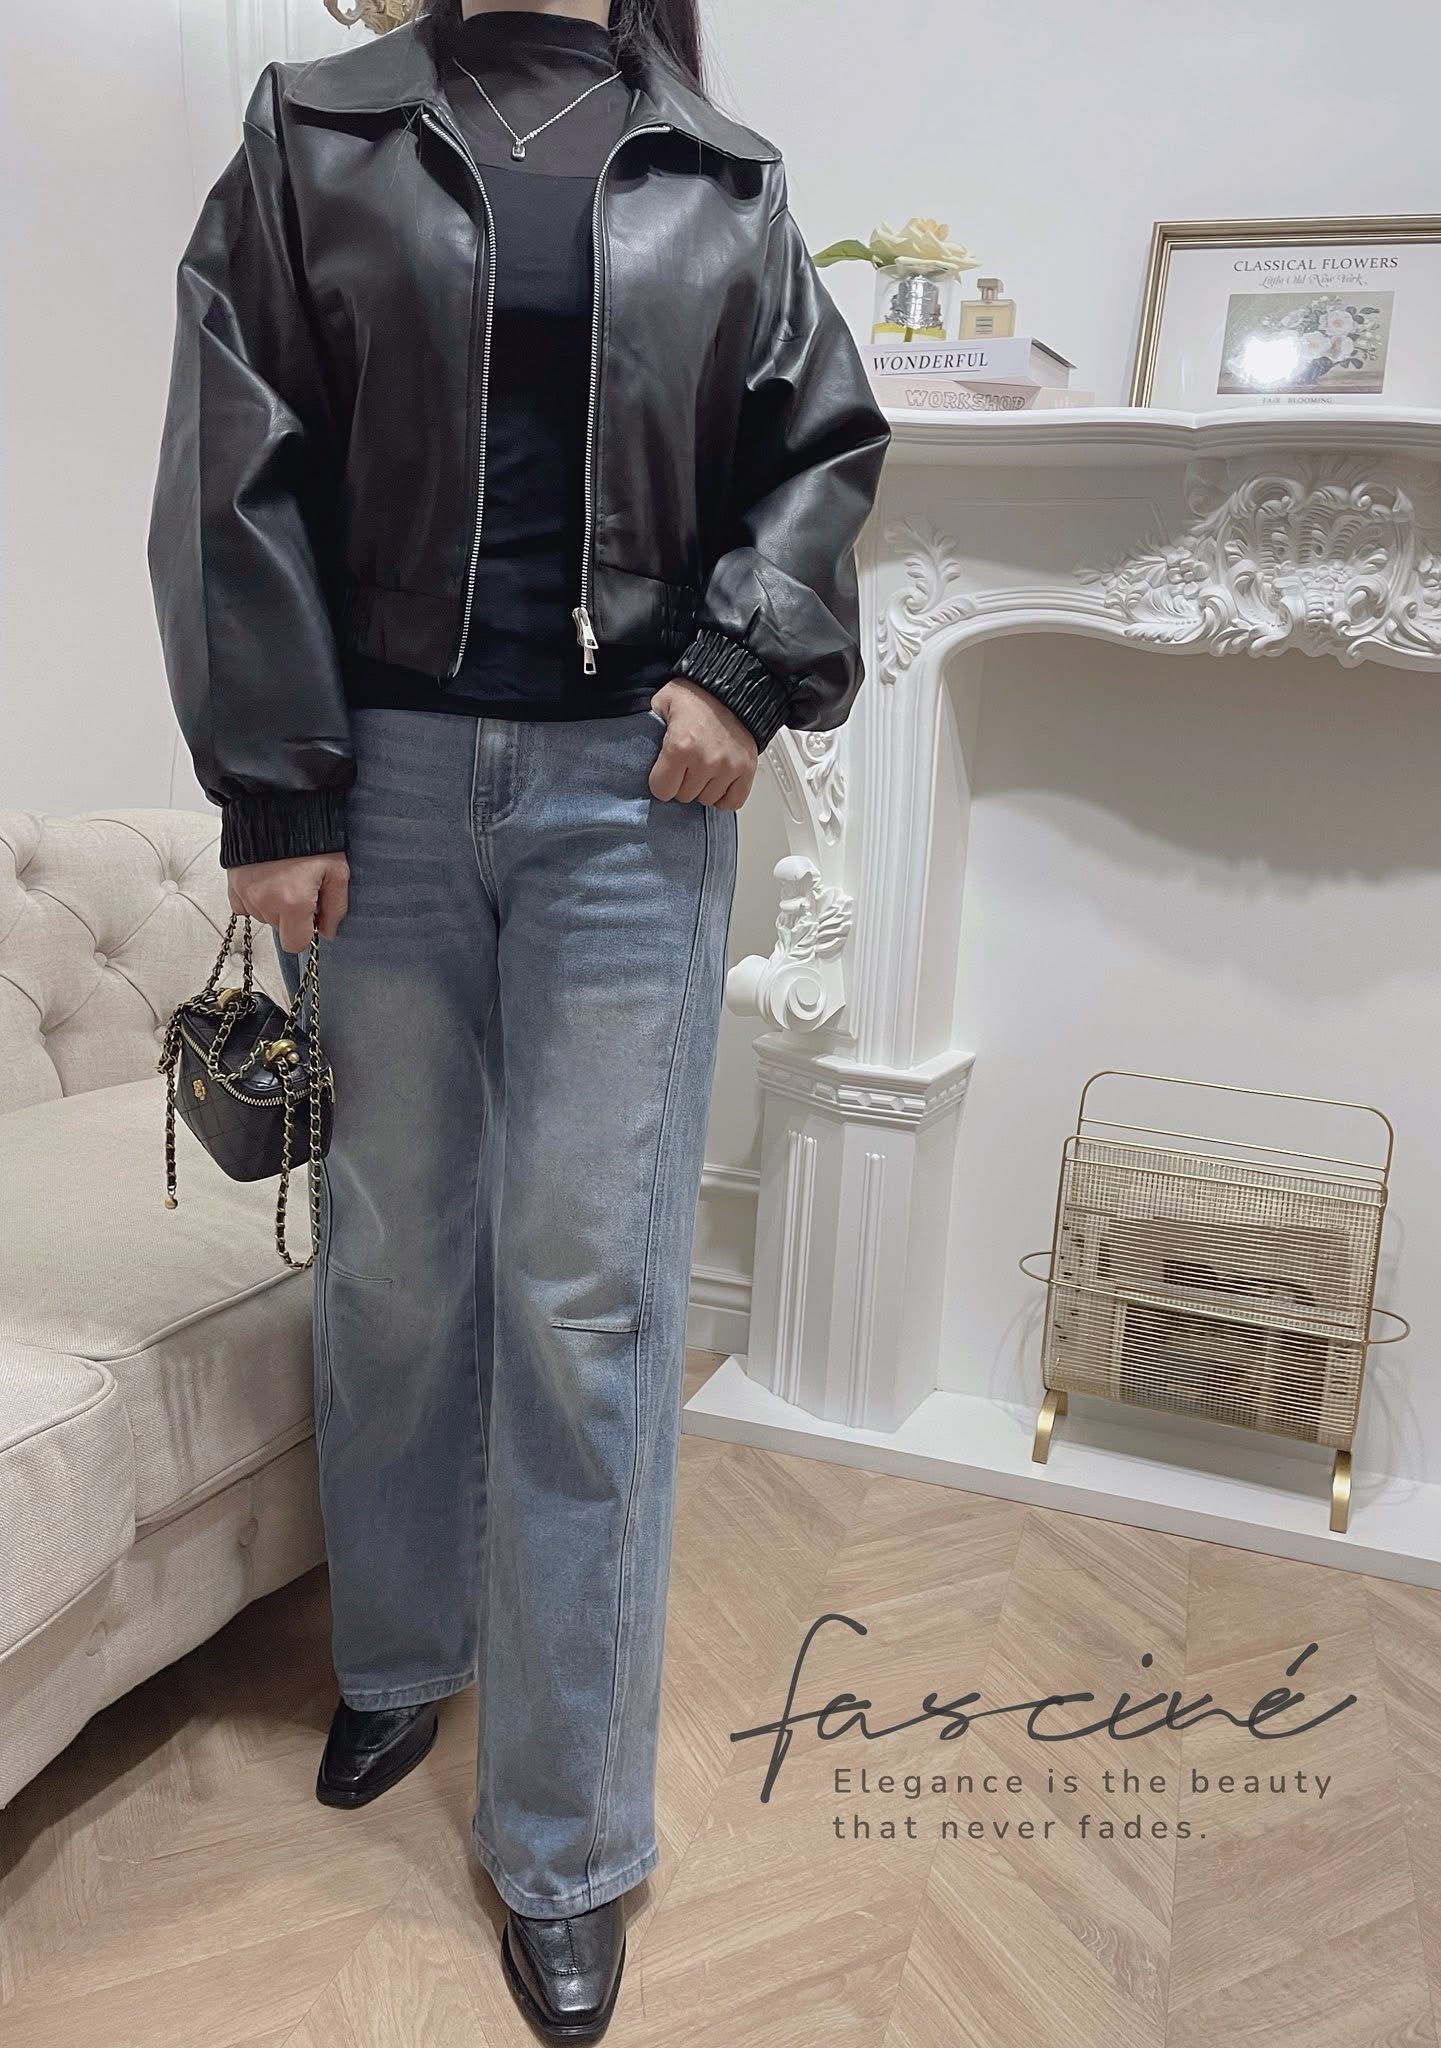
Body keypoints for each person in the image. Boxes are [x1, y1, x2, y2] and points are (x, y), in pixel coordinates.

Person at [147, 0, 889, 2036]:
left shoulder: (721, 175)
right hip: (380, 789)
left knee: (587, 1305)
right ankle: (401, 1657)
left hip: (631, 802)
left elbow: (822, 451)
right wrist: (277, 788)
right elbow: (234, 457)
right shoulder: (316, 134)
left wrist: (742, 670)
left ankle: (564, 1837)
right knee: (393, 1259)